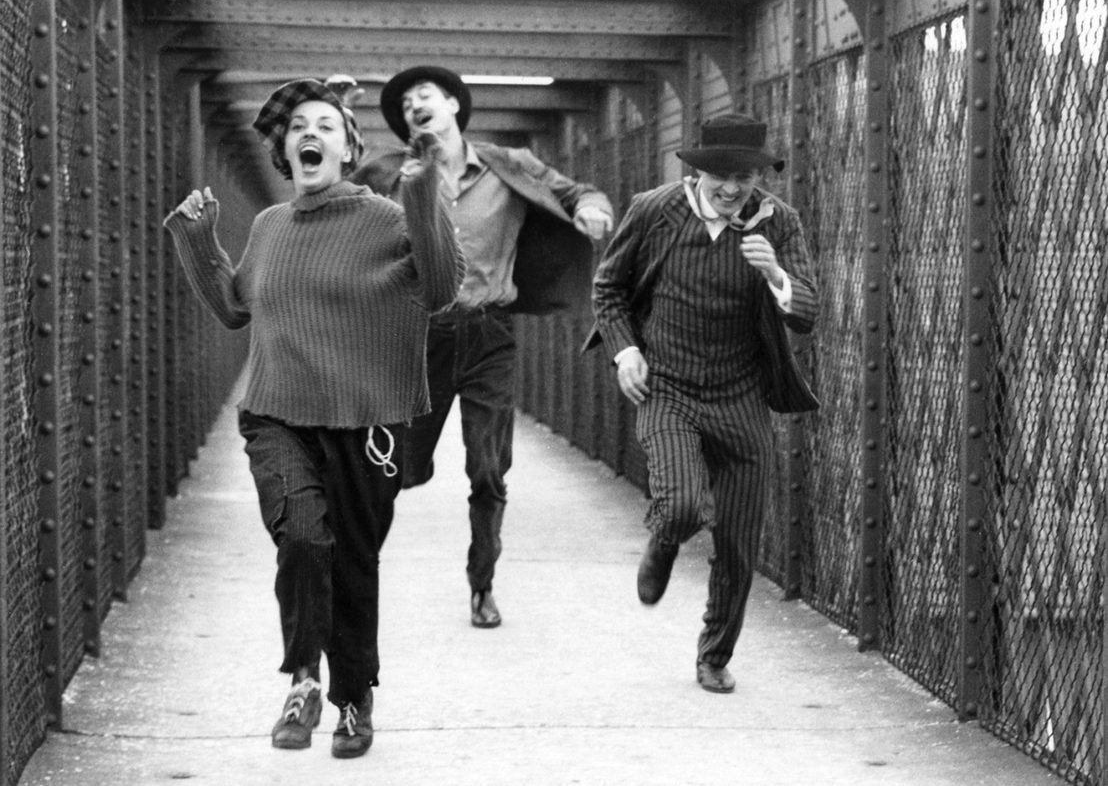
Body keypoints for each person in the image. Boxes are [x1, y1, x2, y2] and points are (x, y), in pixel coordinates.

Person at [164, 78, 464, 758]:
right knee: (302, 538)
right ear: (285, 152)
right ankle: (303, 679)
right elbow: (235, 307)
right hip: (277, 414)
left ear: (348, 150)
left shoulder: (386, 218)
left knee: (352, 562)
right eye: (299, 125)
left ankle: (353, 700)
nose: (310, 133)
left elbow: (442, 289)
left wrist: (423, 194)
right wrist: (198, 238)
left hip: (366, 422)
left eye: (326, 125)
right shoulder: (270, 226)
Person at [352, 65, 614, 629]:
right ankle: (354, 573)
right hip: (417, 337)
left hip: (489, 332)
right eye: (404, 105)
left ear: (452, 104)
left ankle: (482, 586)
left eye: (424, 96)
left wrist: (592, 209)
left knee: (488, 468)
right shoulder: (389, 173)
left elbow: (578, 192)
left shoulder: (509, 164)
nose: (414, 106)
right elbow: (337, 204)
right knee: (396, 466)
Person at [584, 113, 819, 694]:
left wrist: (775, 274)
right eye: (720, 176)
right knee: (684, 505)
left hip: (740, 398)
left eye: (744, 176)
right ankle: (666, 538)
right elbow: (609, 288)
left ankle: (714, 656)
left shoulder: (778, 222)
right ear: (697, 173)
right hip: (668, 388)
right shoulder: (654, 209)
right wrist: (625, 352)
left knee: (738, 542)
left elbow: (807, 311)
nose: (732, 188)